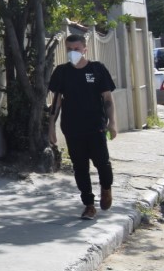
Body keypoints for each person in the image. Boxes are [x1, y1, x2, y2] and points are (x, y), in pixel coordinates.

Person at [47, 33, 117, 220]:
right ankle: (89, 205)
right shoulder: (62, 72)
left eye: (76, 49)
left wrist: (112, 123)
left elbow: (107, 99)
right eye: (69, 49)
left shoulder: (97, 69)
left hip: (96, 126)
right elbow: (56, 101)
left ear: (85, 49)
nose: (73, 52)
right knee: (80, 167)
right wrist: (51, 126)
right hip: (72, 127)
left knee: (102, 163)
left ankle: (106, 188)